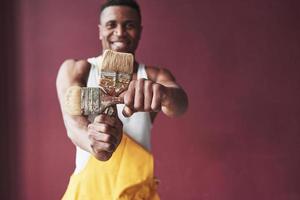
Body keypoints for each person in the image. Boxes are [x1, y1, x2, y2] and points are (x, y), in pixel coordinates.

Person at [56, 0, 188, 199]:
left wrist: (163, 95)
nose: (120, 32)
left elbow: (180, 105)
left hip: (136, 192)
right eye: (111, 25)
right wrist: (92, 140)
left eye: (129, 25)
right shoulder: (78, 69)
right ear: (100, 30)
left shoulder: (153, 76)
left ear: (140, 31)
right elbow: (72, 123)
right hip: (88, 192)